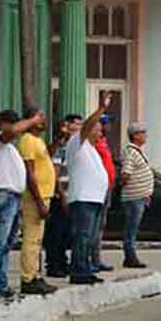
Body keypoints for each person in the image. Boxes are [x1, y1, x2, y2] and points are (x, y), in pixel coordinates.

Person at [0, 110, 43, 302]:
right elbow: (11, 132)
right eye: (15, 124)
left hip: (13, 197)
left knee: (6, 245)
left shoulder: (9, 148)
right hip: (2, 195)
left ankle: (1, 283)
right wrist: (32, 120)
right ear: (3, 124)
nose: (19, 129)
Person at [66, 93, 112, 284]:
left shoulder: (92, 148)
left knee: (90, 237)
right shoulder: (77, 142)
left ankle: (85, 268)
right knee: (83, 236)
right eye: (97, 129)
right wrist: (101, 109)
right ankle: (78, 271)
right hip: (83, 198)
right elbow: (85, 127)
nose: (100, 133)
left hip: (94, 199)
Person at [17, 107, 60, 295]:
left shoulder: (38, 141)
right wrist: (39, 202)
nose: (43, 120)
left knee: (37, 239)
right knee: (31, 239)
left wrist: (59, 139)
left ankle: (34, 274)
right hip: (36, 197)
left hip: (44, 195)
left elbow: (47, 157)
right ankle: (28, 278)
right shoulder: (27, 140)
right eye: (39, 117)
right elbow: (30, 174)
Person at [44, 114, 82, 278]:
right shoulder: (61, 147)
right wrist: (62, 194)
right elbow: (55, 173)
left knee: (66, 232)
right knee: (57, 233)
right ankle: (54, 264)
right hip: (60, 196)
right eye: (76, 125)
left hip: (71, 194)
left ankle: (62, 262)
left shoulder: (73, 147)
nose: (79, 128)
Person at [120, 123, 155, 269]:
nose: (145, 135)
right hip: (133, 197)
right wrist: (133, 187)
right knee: (131, 228)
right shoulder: (131, 152)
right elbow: (126, 173)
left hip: (139, 196)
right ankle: (130, 256)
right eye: (142, 132)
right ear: (135, 136)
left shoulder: (137, 151)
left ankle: (131, 255)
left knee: (133, 227)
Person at [91, 114, 116, 273]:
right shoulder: (93, 145)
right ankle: (92, 259)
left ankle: (96, 258)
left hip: (107, 188)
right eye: (104, 124)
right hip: (97, 189)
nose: (107, 127)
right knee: (94, 227)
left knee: (100, 226)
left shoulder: (104, 143)